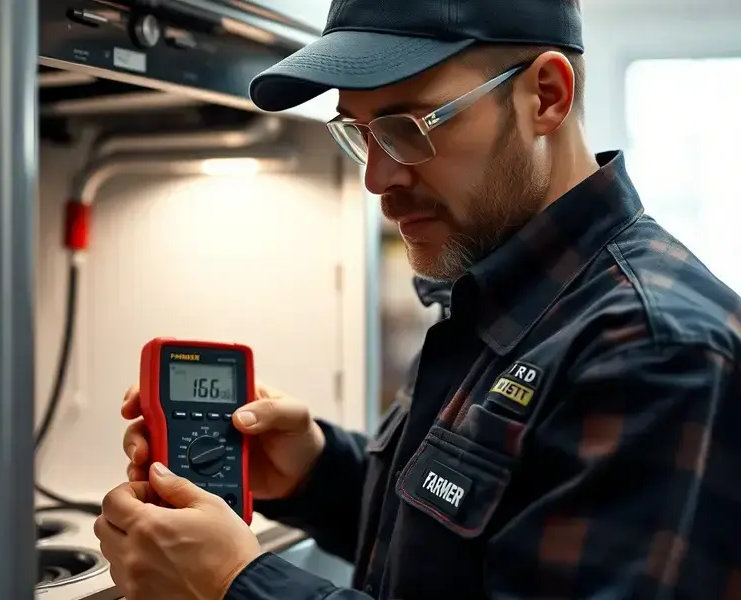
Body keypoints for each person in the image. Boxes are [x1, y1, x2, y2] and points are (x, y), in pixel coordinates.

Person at [93, 0, 741, 597]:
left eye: (407, 127)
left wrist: (235, 583)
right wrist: (316, 473)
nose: (378, 177)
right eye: (359, 132)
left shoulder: (653, 352)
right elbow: (473, 552)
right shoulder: (497, 294)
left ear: (546, 96)